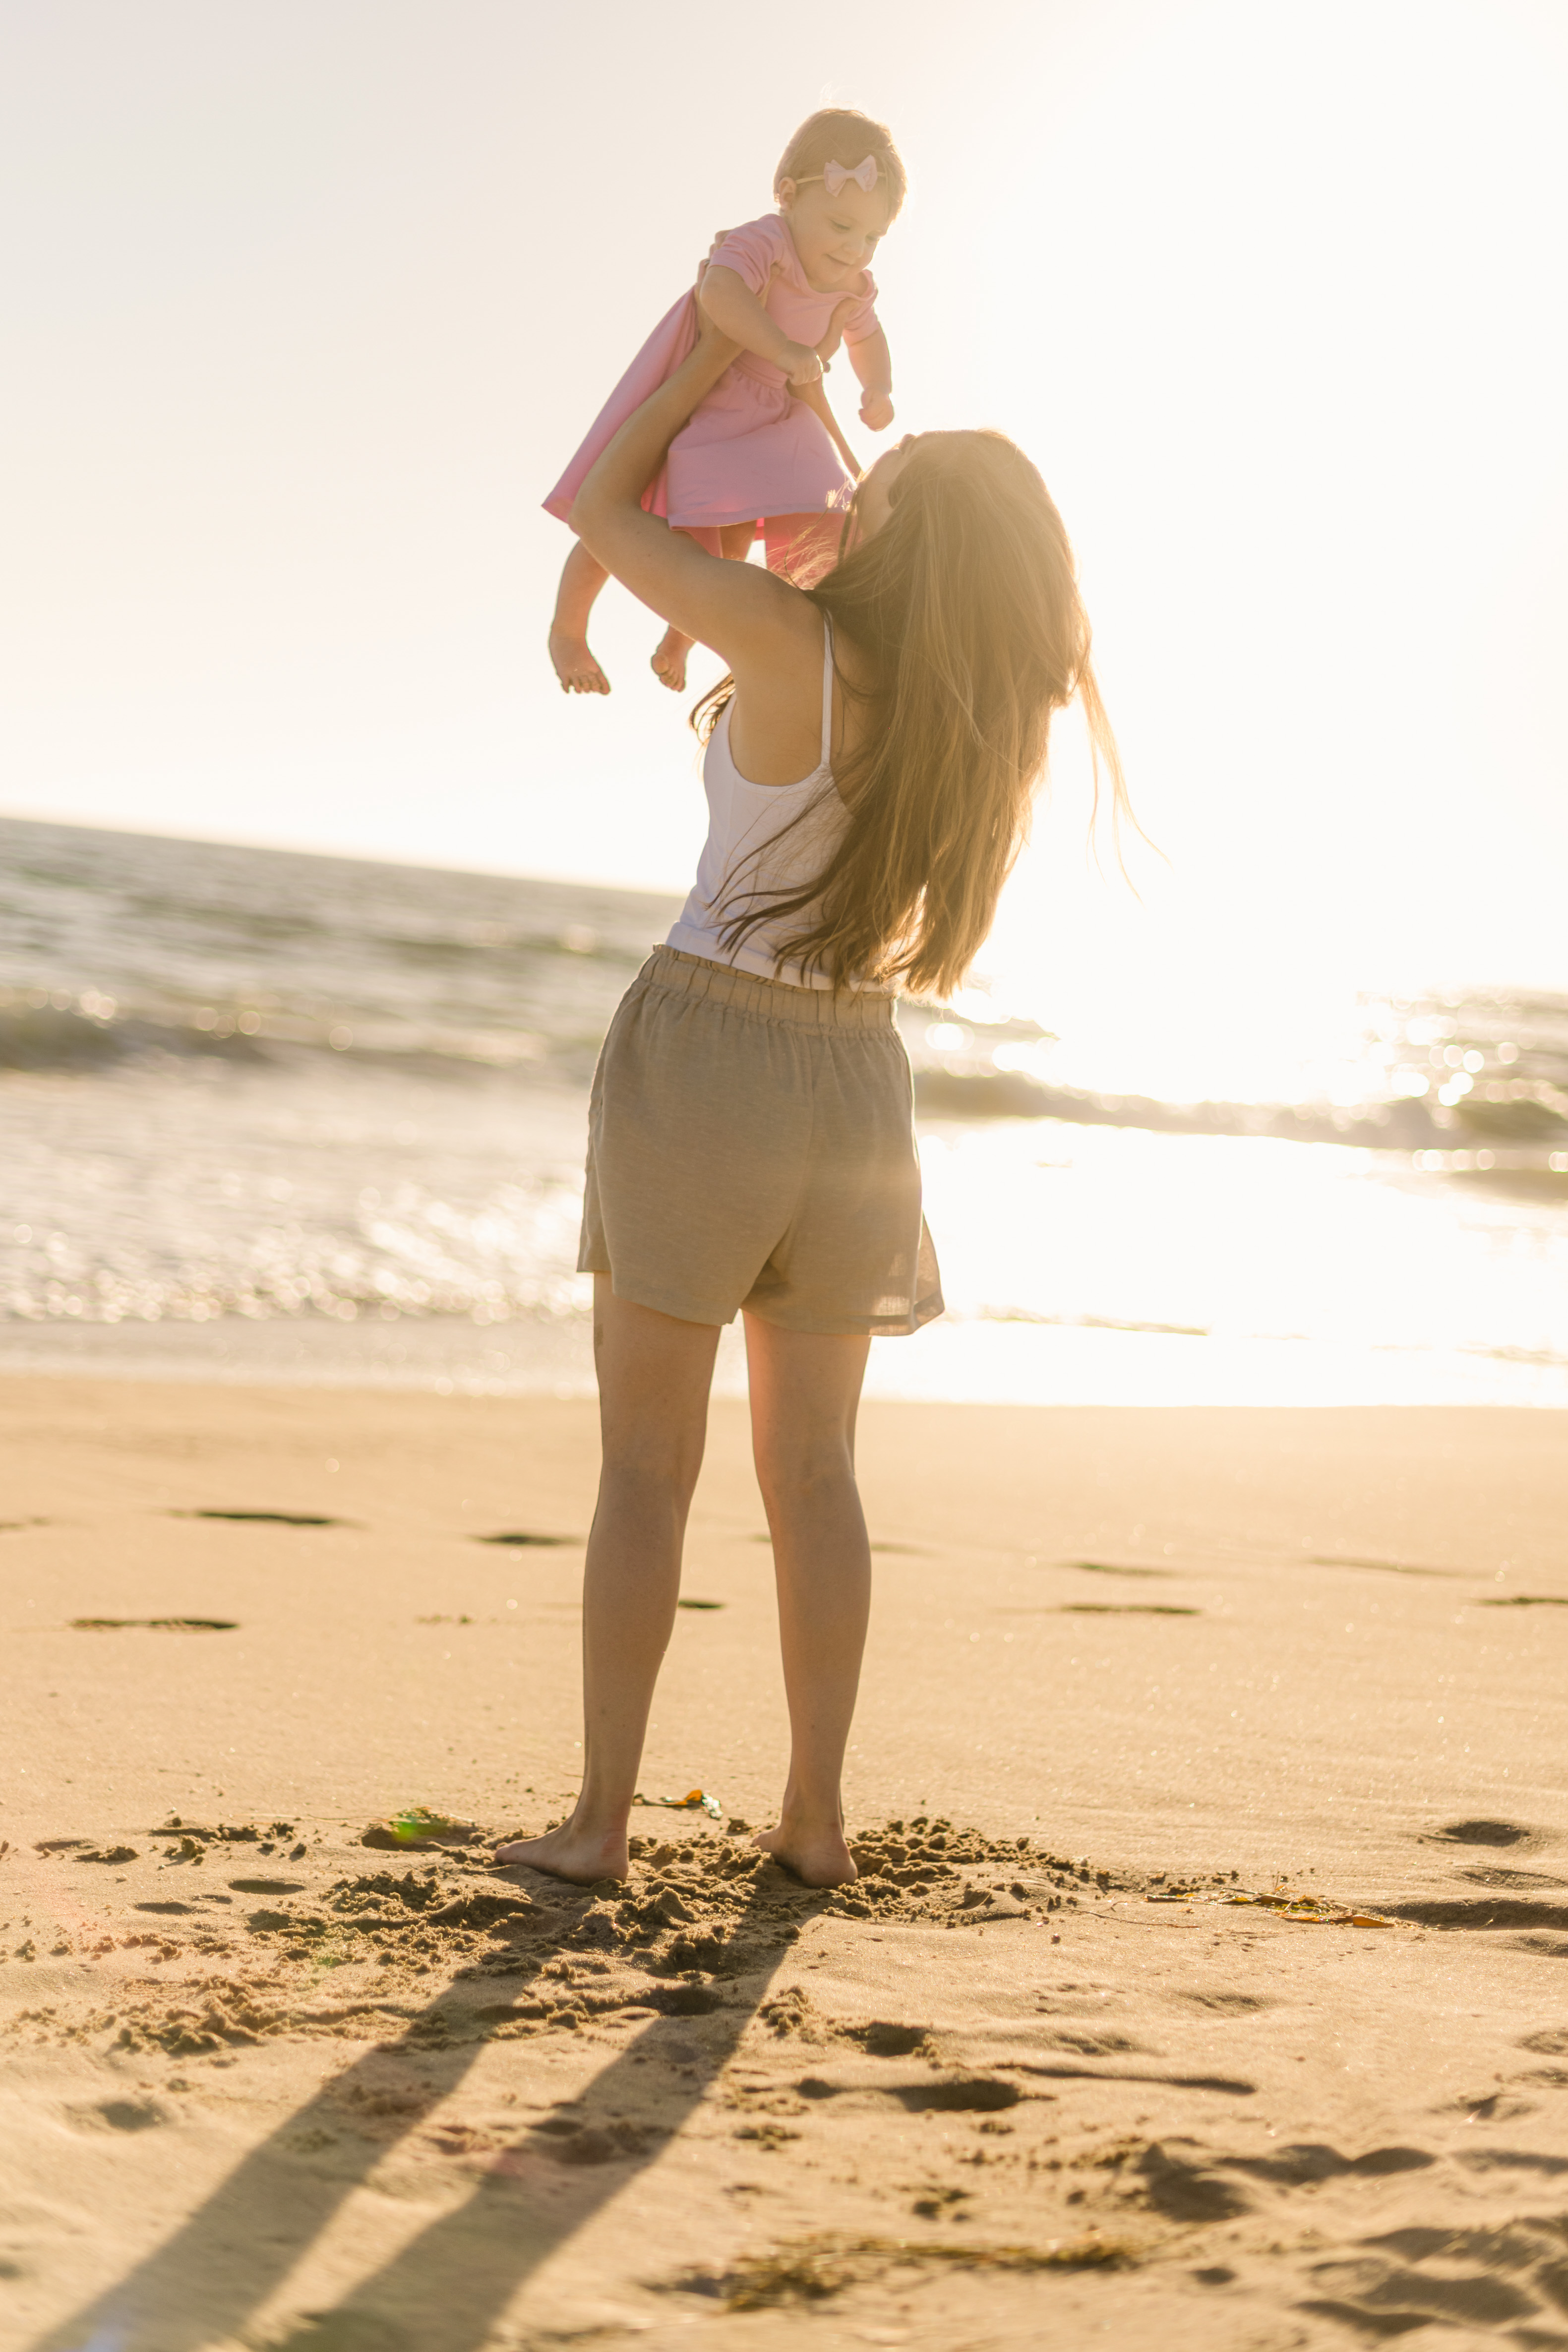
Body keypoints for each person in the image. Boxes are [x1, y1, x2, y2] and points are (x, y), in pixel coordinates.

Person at [499, 309, 1127, 1892]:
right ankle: (814, 1823)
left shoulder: (790, 647)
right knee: (821, 1476)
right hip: (859, 1081)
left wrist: (702, 370)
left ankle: (598, 1828)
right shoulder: (972, 730)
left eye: (882, 469)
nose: (853, 470)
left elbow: (596, 509)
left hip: (708, 1055)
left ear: (903, 531)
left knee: (647, 1467)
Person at [543, 107, 905, 698]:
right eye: (842, 226)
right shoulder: (767, 240)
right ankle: (569, 630)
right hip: (707, 392)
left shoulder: (851, 284)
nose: (855, 250)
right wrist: (785, 349)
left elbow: (868, 336)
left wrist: (878, 388)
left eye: (872, 238)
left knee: (735, 529)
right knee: (636, 512)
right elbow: (721, 291)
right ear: (788, 196)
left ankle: (681, 637)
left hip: (771, 410)